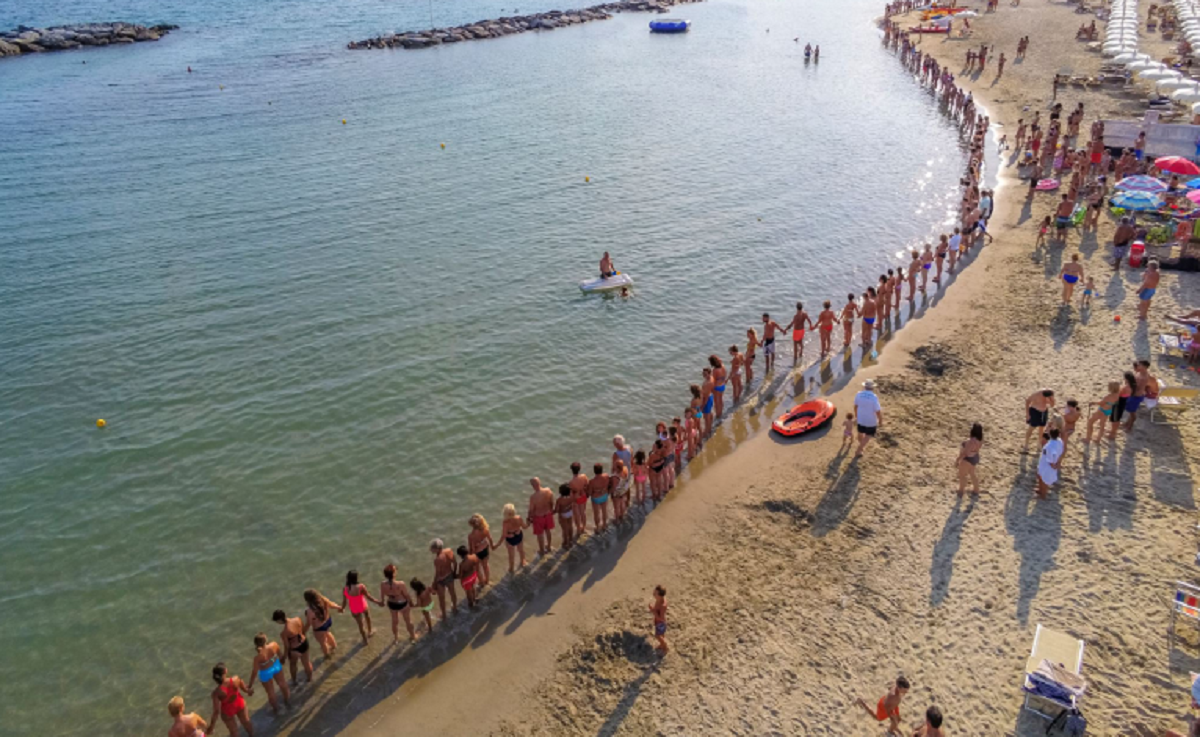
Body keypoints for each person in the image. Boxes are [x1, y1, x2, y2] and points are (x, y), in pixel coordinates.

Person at [247, 633, 291, 715]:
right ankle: (287, 701)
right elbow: (281, 656)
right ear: (265, 640)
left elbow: (254, 672)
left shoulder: (258, 657)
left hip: (265, 672)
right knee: (282, 684)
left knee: (271, 692)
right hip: (276, 666)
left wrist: (250, 685)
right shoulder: (274, 645)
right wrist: (283, 661)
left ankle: (276, 710)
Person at [208, 664, 254, 737]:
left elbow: (216, 711)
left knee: (234, 732)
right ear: (225, 671)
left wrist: (211, 726)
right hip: (239, 703)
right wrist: (249, 691)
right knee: (246, 722)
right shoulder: (235, 679)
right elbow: (245, 689)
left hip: (227, 710)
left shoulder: (216, 692)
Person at [272, 610, 313, 685]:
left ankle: (294, 681)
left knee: (293, 665)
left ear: (279, 620)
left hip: (295, 649)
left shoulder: (284, 633)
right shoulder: (297, 619)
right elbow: (303, 631)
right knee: (307, 663)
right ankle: (310, 679)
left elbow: (287, 646)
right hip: (304, 643)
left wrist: (284, 657)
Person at [378, 564, 417, 642]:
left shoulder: (383, 584)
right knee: (408, 621)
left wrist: (382, 602)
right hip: (402, 603)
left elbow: (382, 595)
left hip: (392, 604)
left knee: (394, 621)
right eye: (395, 570)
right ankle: (413, 636)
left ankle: (396, 638)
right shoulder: (400, 584)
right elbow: (406, 595)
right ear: (393, 573)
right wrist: (411, 603)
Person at [341, 570, 380, 645]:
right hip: (363, 605)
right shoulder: (361, 586)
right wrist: (377, 602)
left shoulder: (345, 589)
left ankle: (365, 641)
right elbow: (368, 597)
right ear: (356, 578)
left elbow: (344, 601)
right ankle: (370, 631)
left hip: (354, 608)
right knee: (367, 617)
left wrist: (342, 609)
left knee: (360, 625)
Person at [303, 588, 343, 658]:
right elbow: (331, 604)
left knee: (323, 642)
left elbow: (309, 623)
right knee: (327, 633)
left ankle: (327, 655)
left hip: (319, 628)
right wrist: (339, 607)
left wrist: (303, 632)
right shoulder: (323, 600)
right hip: (328, 621)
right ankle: (334, 646)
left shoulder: (309, 610)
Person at [430, 538, 459, 618]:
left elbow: (438, 574)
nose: (430, 549)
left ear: (436, 549)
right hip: (449, 575)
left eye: (432, 548)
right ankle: (455, 608)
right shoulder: (449, 551)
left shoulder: (437, 560)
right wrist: (454, 573)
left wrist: (433, 585)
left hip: (441, 580)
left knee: (441, 598)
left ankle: (444, 615)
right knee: (452, 593)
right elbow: (455, 563)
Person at [853, 380, 883, 458]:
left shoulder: (858, 394)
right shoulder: (874, 397)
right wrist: (880, 420)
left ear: (864, 387)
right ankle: (859, 449)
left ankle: (861, 448)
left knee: (860, 433)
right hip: (870, 420)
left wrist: (856, 415)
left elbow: (855, 406)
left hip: (861, 418)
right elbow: (878, 411)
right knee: (868, 435)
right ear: (872, 388)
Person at [527, 477, 556, 556]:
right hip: (547, 514)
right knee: (548, 531)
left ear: (532, 486)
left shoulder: (533, 497)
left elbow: (531, 510)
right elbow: (551, 502)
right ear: (539, 482)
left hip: (539, 517)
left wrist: (529, 518)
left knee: (540, 534)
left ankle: (542, 551)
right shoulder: (548, 490)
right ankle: (549, 546)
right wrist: (551, 510)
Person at [467, 513, 495, 586]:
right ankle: (487, 581)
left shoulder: (471, 536)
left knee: (477, 568)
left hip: (477, 553)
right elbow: (490, 539)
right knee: (485, 566)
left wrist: (470, 558)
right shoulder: (486, 529)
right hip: (485, 549)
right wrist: (492, 546)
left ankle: (481, 582)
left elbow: (472, 548)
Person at [956, 423, 983, 496]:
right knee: (972, 474)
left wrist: (958, 459)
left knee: (962, 475)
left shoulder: (970, 442)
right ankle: (976, 490)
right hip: (974, 457)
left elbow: (965, 453)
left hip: (967, 459)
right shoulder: (980, 440)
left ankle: (961, 491)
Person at [498, 504, 527, 572]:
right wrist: (528, 522)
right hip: (518, 535)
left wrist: (498, 543)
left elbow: (504, 534)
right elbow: (524, 527)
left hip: (511, 538)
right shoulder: (519, 518)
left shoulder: (505, 523)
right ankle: (523, 561)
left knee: (511, 555)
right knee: (521, 550)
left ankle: (511, 568)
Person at [1037, 428, 1063, 498]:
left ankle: (1043, 495)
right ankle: (1040, 490)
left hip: (1047, 465)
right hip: (1048, 463)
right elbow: (1061, 452)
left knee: (1044, 480)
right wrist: (1058, 462)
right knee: (1040, 476)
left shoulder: (1049, 446)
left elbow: (1050, 457)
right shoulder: (1060, 441)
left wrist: (1053, 465)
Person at [589, 462, 611, 533]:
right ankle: (604, 525)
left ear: (594, 471)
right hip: (604, 496)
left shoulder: (592, 481)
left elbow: (590, 492)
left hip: (596, 498)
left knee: (596, 513)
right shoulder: (606, 476)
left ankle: (597, 527)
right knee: (604, 511)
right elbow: (609, 484)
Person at [568, 461, 589, 536]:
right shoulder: (584, 476)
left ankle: (578, 529)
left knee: (577, 515)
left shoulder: (571, 482)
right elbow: (587, 485)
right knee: (583, 512)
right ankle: (584, 527)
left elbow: (571, 494)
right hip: (583, 496)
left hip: (576, 499)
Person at [649, 585, 669, 655]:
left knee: (658, 636)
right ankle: (662, 645)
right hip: (658, 622)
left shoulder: (662, 605)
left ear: (660, 596)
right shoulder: (660, 599)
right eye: (654, 592)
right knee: (661, 635)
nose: (653, 594)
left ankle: (665, 646)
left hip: (660, 623)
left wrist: (653, 611)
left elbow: (661, 618)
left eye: (655, 594)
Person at [555, 484, 575, 549]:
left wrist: (553, 512)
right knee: (570, 526)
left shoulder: (559, 500)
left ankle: (565, 542)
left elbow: (557, 510)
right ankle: (571, 540)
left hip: (563, 514)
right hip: (570, 512)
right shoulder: (571, 496)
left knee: (564, 529)